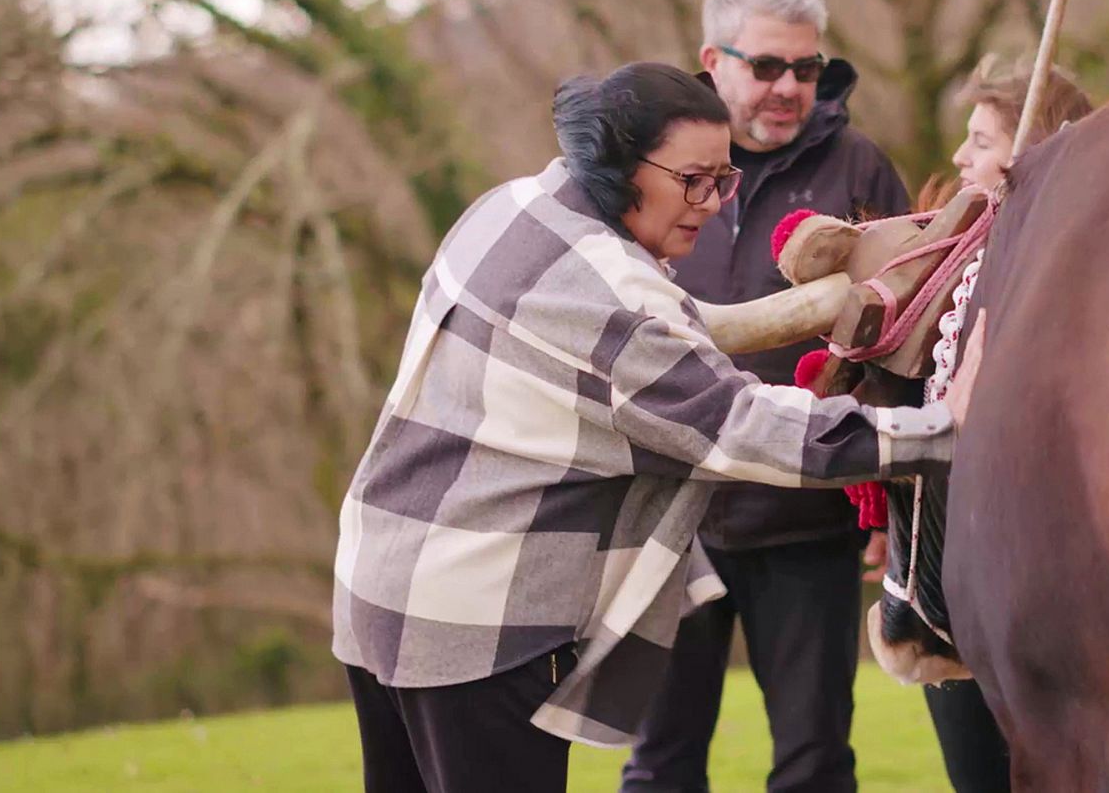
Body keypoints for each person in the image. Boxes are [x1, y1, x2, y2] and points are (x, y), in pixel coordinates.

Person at [331, 62, 974, 793]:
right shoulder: (615, 298)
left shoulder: (511, 208)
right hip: (477, 625)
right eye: (693, 180)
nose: (711, 203)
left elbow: (661, 333)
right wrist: (948, 430)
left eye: (724, 179)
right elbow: (747, 429)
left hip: (379, 586)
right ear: (616, 163)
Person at [622, 0, 910, 793]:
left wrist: (889, 504)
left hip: (808, 518)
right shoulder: (648, 173)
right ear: (712, 61)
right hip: (670, 517)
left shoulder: (861, 170)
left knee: (816, 764)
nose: (791, 88)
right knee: (659, 765)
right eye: (768, 66)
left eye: (808, 69)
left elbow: (900, 351)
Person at [918, 54, 1094, 793]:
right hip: (947, 580)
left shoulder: (1079, 273)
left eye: (983, 140)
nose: (960, 156)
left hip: (1042, 586)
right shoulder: (947, 255)